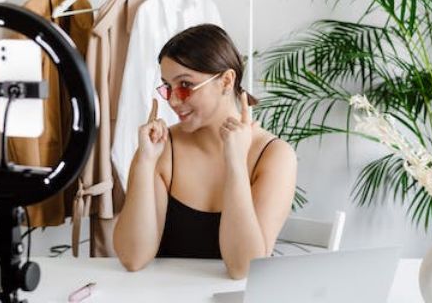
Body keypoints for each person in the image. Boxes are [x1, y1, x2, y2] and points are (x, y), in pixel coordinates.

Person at [113, 24, 297, 279]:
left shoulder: (275, 156)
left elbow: (243, 268)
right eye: (167, 87)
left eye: (185, 85)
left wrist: (235, 163)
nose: (173, 100)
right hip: (165, 294)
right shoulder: (161, 148)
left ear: (226, 81)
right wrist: (144, 163)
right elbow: (133, 258)